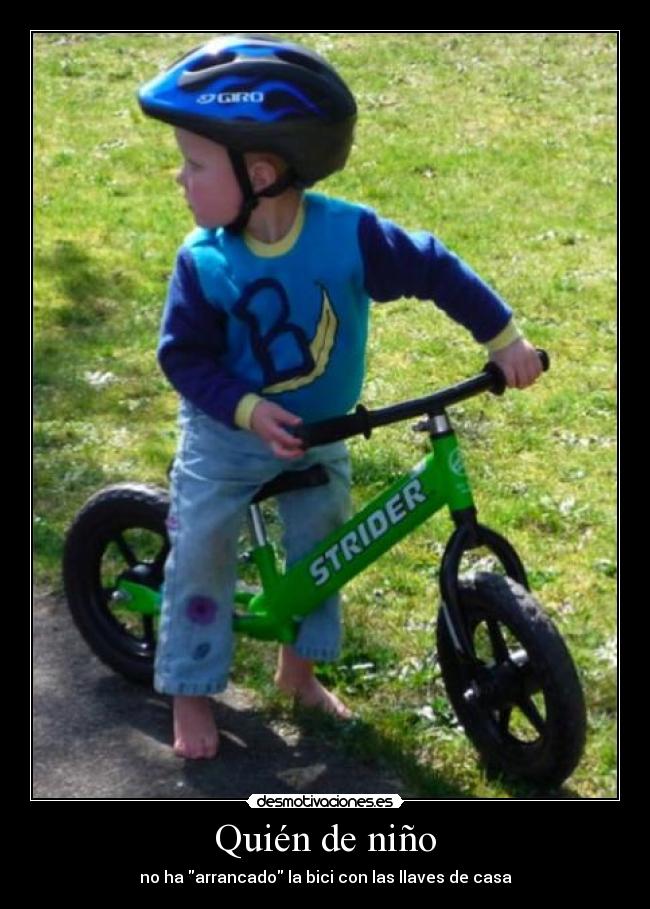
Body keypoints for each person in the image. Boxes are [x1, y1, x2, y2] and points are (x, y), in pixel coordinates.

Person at [137, 33, 543, 759]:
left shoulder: (348, 237)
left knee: (325, 539)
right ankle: (191, 688)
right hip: (229, 433)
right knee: (200, 546)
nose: (179, 179)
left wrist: (503, 338)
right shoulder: (203, 262)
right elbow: (183, 357)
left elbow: (433, 268)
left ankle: (299, 670)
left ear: (260, 171)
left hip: (322, 428)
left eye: (194, 164)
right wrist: (248, 410)